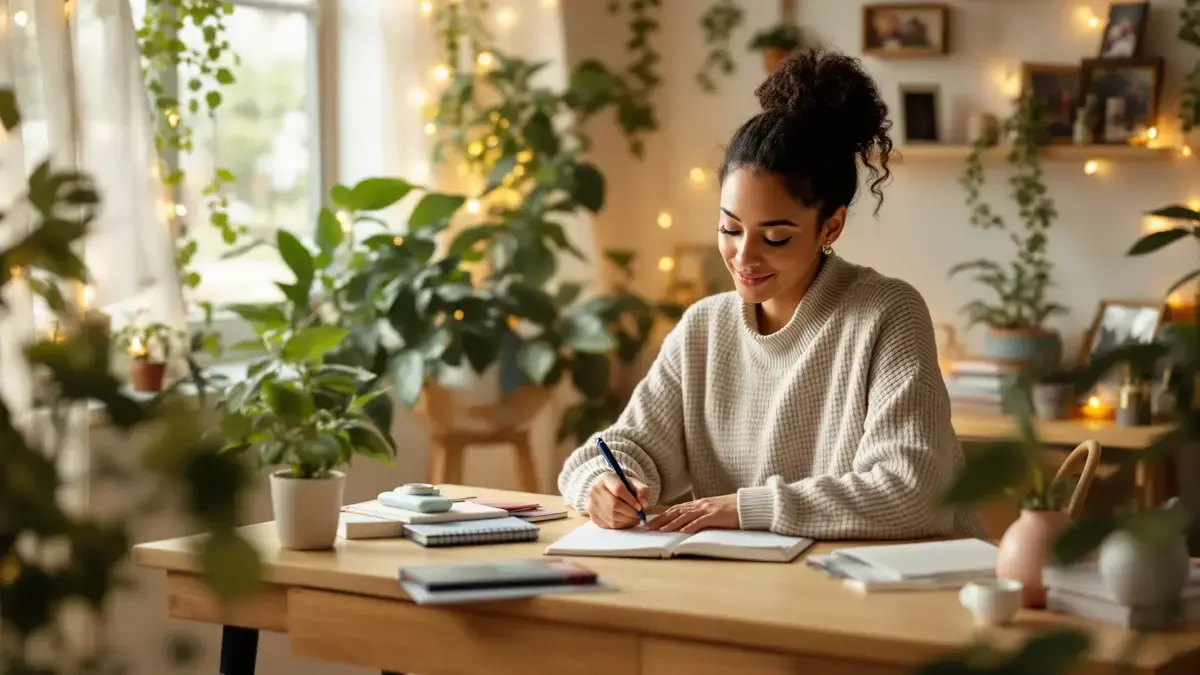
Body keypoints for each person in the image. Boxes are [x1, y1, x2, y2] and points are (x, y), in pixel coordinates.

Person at [556, 48, 986, 541]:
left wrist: (745, 507)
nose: (744, 256)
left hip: (903, 597)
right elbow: (612, 452)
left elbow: (914, 494)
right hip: (762, 590)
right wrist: (605, 485)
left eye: (775, 237)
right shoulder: (705, 327)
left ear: (832, 225)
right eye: (729, 228)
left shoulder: (888, 313)